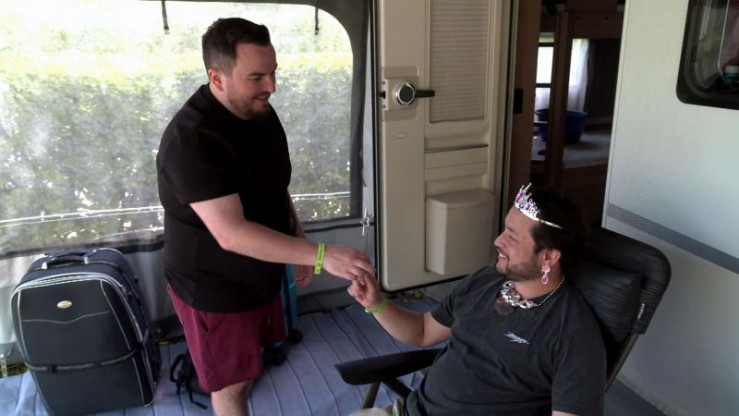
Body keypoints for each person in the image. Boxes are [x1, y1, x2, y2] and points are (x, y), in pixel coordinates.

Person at [156, 17, 375, 416]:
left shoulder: (259, 113)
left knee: (252, 363)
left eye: (273, 72)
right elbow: (231, 234)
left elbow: (275, 186)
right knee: (231, 386)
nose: (271, 86)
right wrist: (321, 254)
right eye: (256, 77)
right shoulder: (193, 141)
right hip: (215, 288)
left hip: (260, 274)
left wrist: (299, 240)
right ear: (217, 77)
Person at [348, 184, 606, 416]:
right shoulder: (485, 280)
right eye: (504, 229)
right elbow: (424, 331)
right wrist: (376, 304)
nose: (497, 240)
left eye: (512, 236)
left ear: (548, 257)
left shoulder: (573, 334)